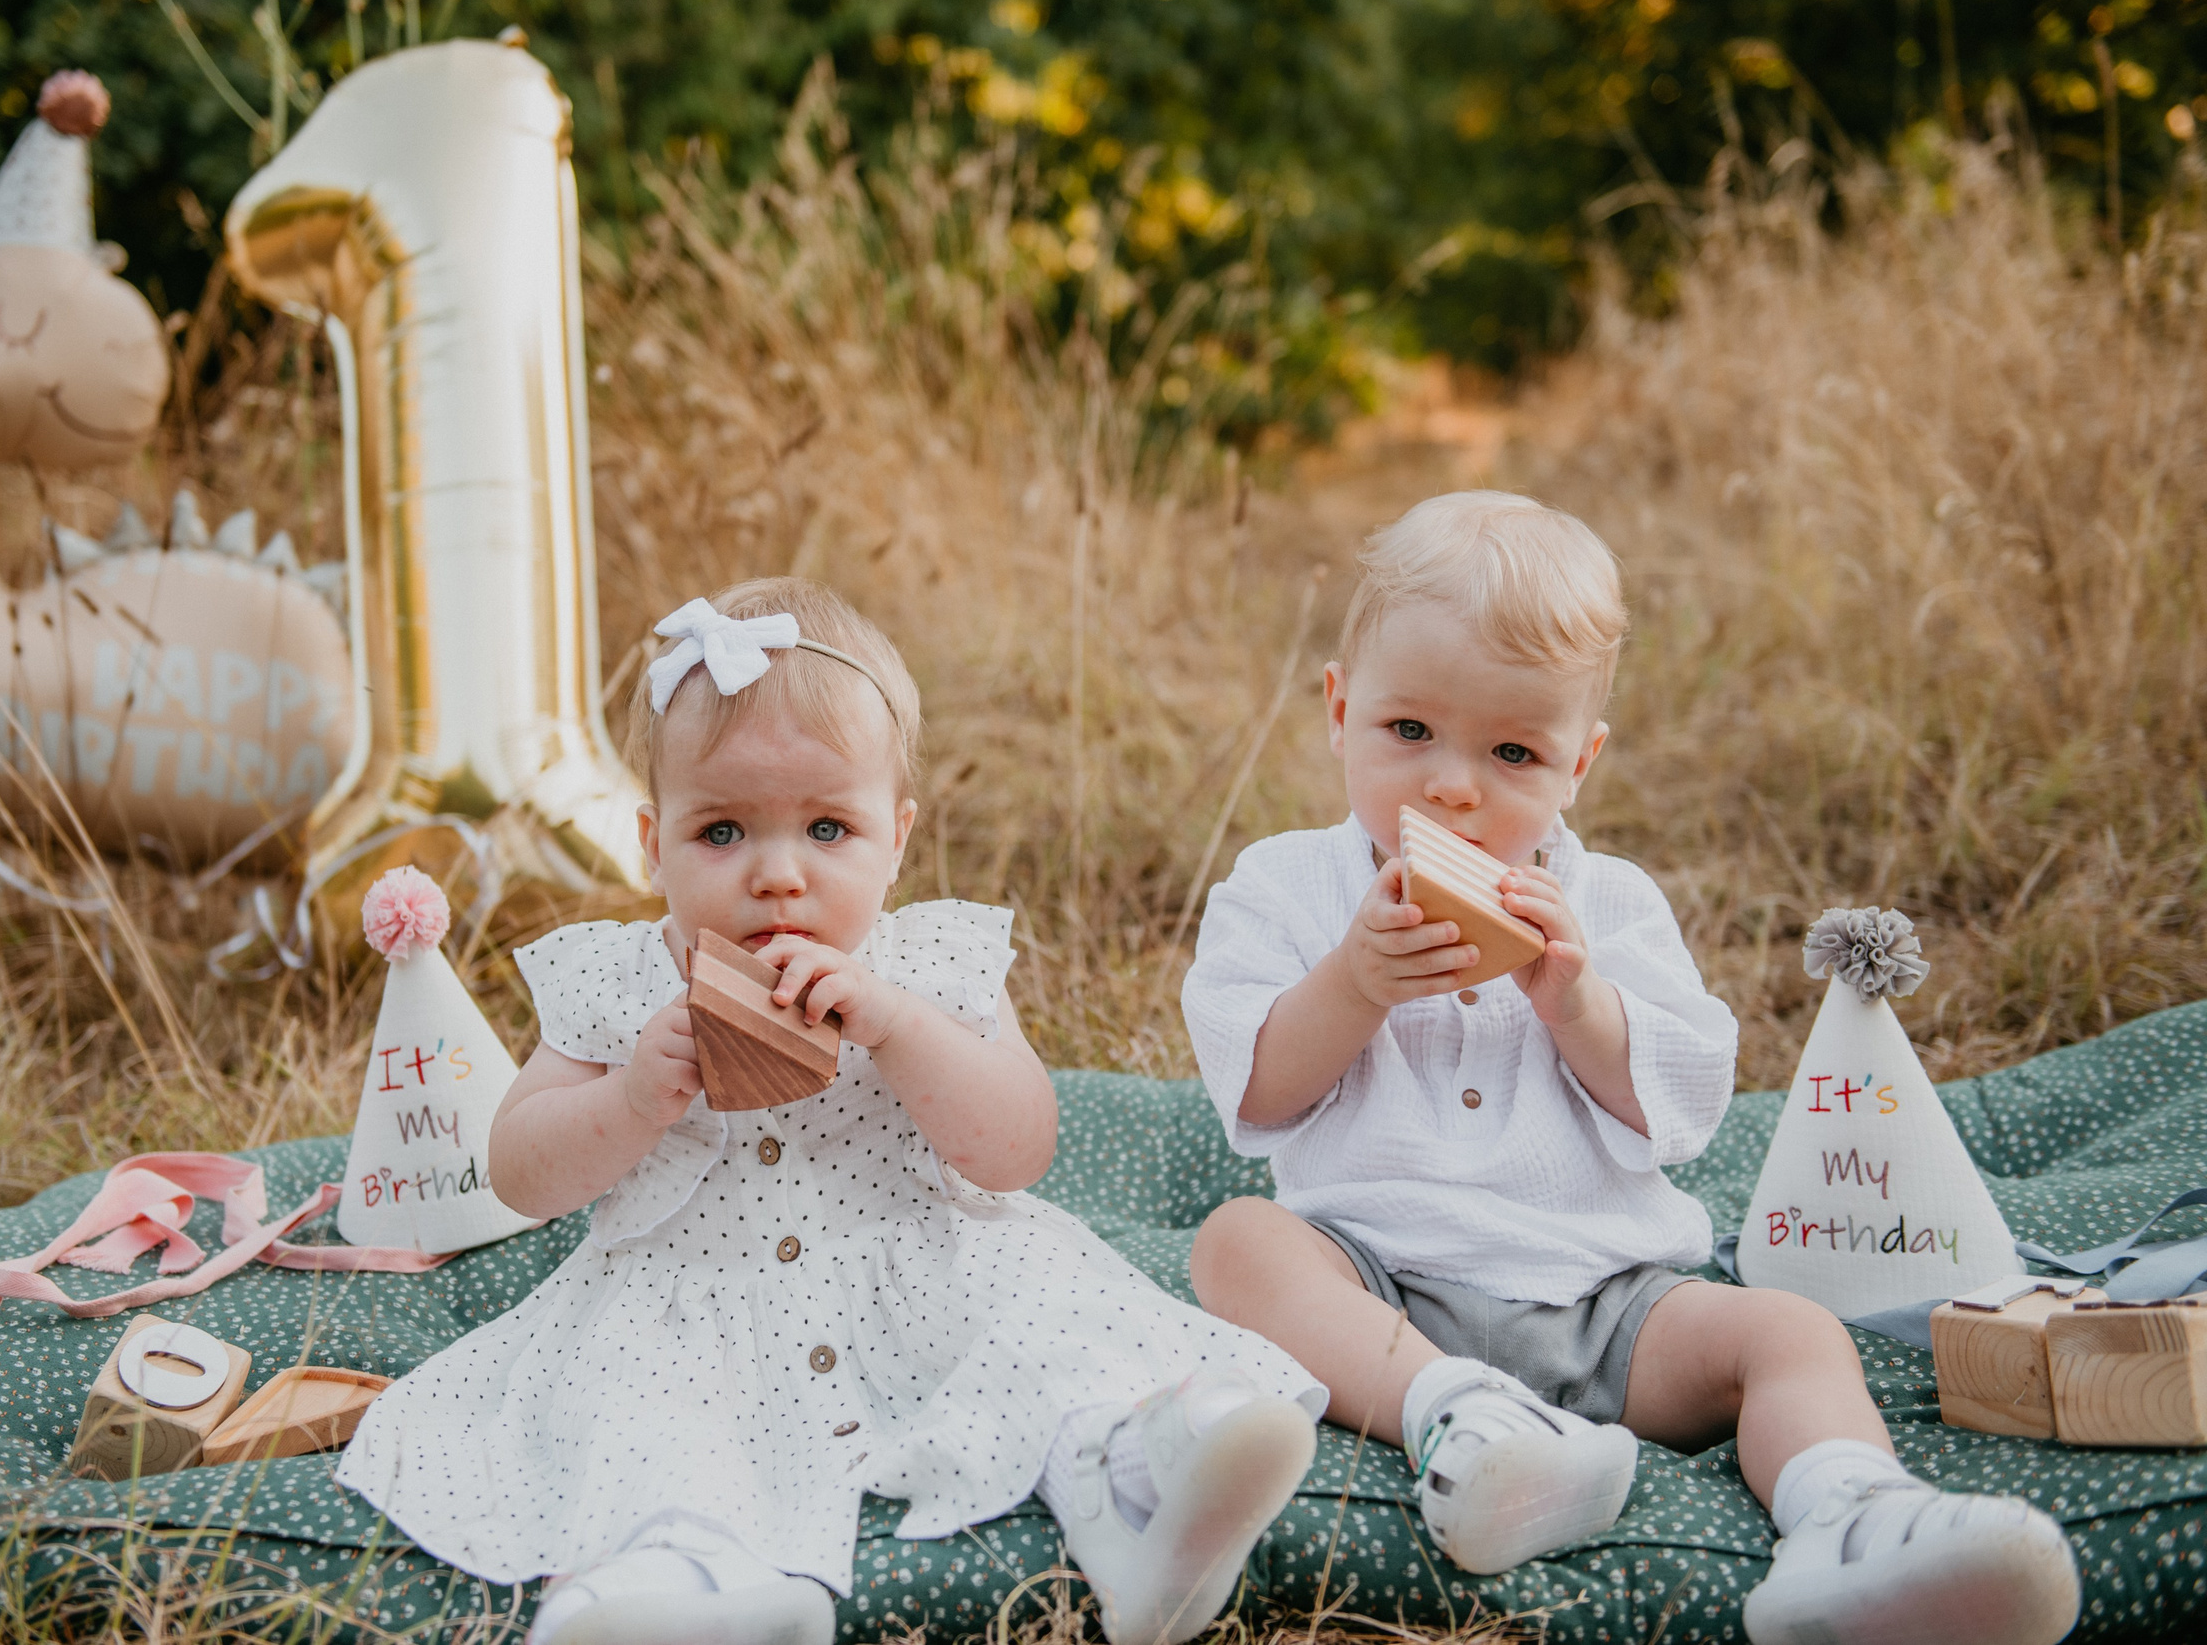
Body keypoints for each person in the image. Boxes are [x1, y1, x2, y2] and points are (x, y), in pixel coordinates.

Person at [341, 578, 1325, 1645]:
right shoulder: (619, 986)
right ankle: (683, 1583)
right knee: (654, 1426)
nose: (777, 876)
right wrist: (631, 1099)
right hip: (691, 1309)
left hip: (927, 1267)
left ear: (895, 837)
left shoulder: (925, 962)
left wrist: (899, 1028)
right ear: (649, 840)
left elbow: (1015, 1151)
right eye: (720, 831)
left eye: (826, 827)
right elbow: (518, 1171)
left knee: (1047, 1336)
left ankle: (1140, 1483)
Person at [1181, 493, 2082, 1645]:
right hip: (1383, 1295)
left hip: (1610, 1312)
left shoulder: (1608, 906)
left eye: (1513, 752)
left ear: (1580, 764)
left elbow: (1687, 1104)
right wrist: (1353, 985)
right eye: (1409, 731)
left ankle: (1849, 1517)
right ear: (1340, 709)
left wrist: (1577, 1002)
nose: (1453, 785)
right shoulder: (1283, 886)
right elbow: (1256, 1092)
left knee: (1789, 1335)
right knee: (1238, 1246)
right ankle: (1464, 1424)